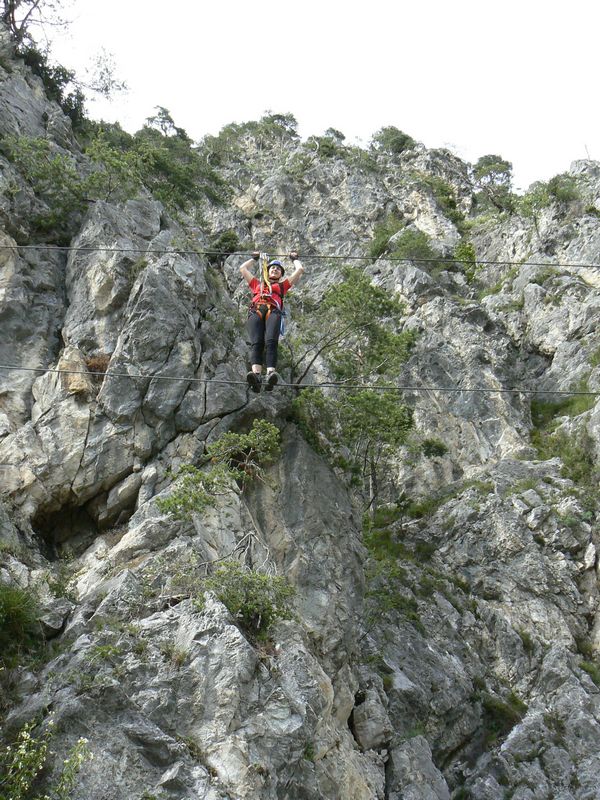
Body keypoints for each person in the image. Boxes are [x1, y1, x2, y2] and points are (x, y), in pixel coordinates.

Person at [240, 251, 304, 392]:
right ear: (267, 271)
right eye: (272, 268)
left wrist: (294, 259)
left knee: (271, 341)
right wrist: (254, 259)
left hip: (273, 311)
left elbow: (300, 270)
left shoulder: (282, 286)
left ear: (281, 275)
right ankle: (256, 376)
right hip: (256, 311)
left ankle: (270, 374)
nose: (275, 270)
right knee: (256, 343)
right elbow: (243, 269)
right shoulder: (257, 284)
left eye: (278, 269)